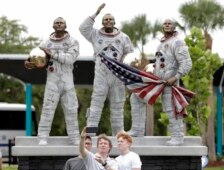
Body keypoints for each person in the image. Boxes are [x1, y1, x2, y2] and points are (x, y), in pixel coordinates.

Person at [128, 18, 192, 146]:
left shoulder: (177, 42)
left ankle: (177, 137)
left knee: (171, 108)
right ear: (162, 27)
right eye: (165, 23)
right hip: (158, 81)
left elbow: (186, 63)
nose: (167, 25)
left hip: (170, 83)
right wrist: (152, 66)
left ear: (174, 27)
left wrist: (175, 77)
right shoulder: (161, 44)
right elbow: (163, 62)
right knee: (136, 96)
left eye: (170, 23)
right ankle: (138, 129)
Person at [79, 3, 134, 136]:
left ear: (114, 22)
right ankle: (90, 134)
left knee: (117, 106)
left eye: (110, 19)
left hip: (117, 74)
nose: (108, 21)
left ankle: (118, 136)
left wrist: (124, 62)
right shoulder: (95, 34)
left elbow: (130, 54)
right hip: (101, 74)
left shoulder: (123, 37)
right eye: (105, 20)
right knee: (96, 104)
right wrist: (95, 14)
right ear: (102, 23)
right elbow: (82, 28)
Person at [24, 17, 80, 146]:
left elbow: (70, 59)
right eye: (57, 23)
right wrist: (29, 63)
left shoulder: (73, 42)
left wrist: (52, 54)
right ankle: (42, 137)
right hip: (52, 80)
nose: (59, 24)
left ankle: (74, 137)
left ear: (66, 26)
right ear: (53, 26)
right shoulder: (45, 43)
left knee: (71, 110)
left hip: (67, 82)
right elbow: (37, 59)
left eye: (61, 23)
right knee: (47, 109)